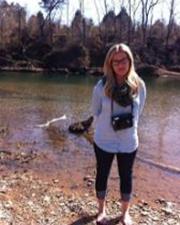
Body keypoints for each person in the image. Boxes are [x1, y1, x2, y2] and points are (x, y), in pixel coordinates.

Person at [91, 43, 146, 225]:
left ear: (130, 61)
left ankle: (125, 214)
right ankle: (101, 211)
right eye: (115, 62)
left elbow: (139, 111)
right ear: (110, 64)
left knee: (126, 176)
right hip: (104, 140)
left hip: (128, 142)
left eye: (123, 60)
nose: (120, 64)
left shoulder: (139, 86)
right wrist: (109, 126)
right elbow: (95, 112)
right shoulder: (101, 86)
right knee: (102, 174)